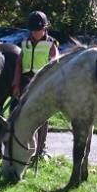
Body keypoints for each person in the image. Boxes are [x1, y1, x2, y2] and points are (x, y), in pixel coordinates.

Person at [12, 10, 59, 160]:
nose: (36, 33)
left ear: (45, 28)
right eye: (33, 30)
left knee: (41, 117)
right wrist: (16, 84)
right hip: (26, 82)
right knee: (18, 114)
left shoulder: (51, 44)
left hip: (42, 84)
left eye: (39, 30)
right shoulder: (24, 43)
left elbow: (54, 65)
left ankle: (41, 149)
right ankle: (20, 145)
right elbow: (19, 64)